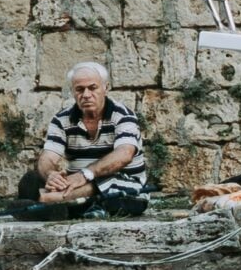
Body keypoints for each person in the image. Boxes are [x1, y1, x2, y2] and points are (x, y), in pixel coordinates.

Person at [15, 62, 149, 217]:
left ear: (106, 88)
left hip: (127, 188)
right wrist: (51, 175)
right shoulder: (62, 119)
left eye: (92, 88)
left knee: (108, 181)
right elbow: (48, 157)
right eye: (79, 89)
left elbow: (124, 154)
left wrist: (85, 174)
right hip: (76, 186)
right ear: (73, 91)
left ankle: (45, 199)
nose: (86, 95)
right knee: (36, 177)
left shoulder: (123, 116)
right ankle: (58, 206)